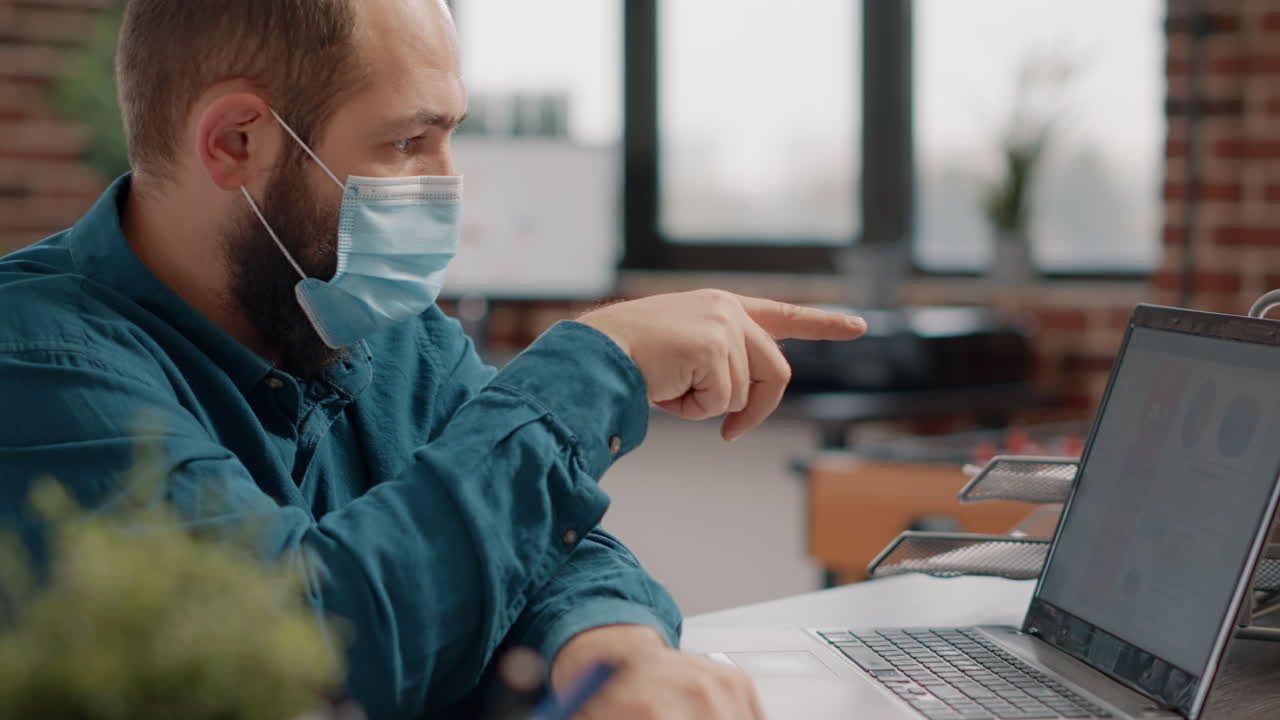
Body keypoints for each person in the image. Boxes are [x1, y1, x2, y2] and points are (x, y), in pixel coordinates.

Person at [0, 0, 866, 718]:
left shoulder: (384, 326)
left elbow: (546, 542)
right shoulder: (35, 363)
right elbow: (299, 654)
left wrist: (608, 649)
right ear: (236, 141)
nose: (450, 181)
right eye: (409, 142)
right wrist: (599, 364)